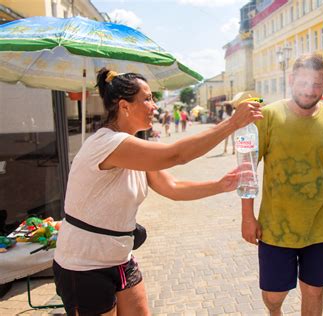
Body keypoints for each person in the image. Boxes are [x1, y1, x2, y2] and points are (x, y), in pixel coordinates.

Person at [52, 68, 262, 316]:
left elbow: (172, 187)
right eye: (148, 98)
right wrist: (233, 123)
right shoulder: (106, 143)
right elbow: (176, 155)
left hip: (119, 258)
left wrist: (220, 185)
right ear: (124, 106)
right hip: (84, 265)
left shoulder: (134, 146)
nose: (154, 106)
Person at [240, 53, 323, 316]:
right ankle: (275, 312)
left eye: (317, 84)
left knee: (314, 290)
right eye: (304, 83)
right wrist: (247, 217)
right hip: (276, 226)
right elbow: (247, 168)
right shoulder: (267, 118)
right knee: (273, 297)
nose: (310, 91)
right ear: (291, 79)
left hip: (320, 225)